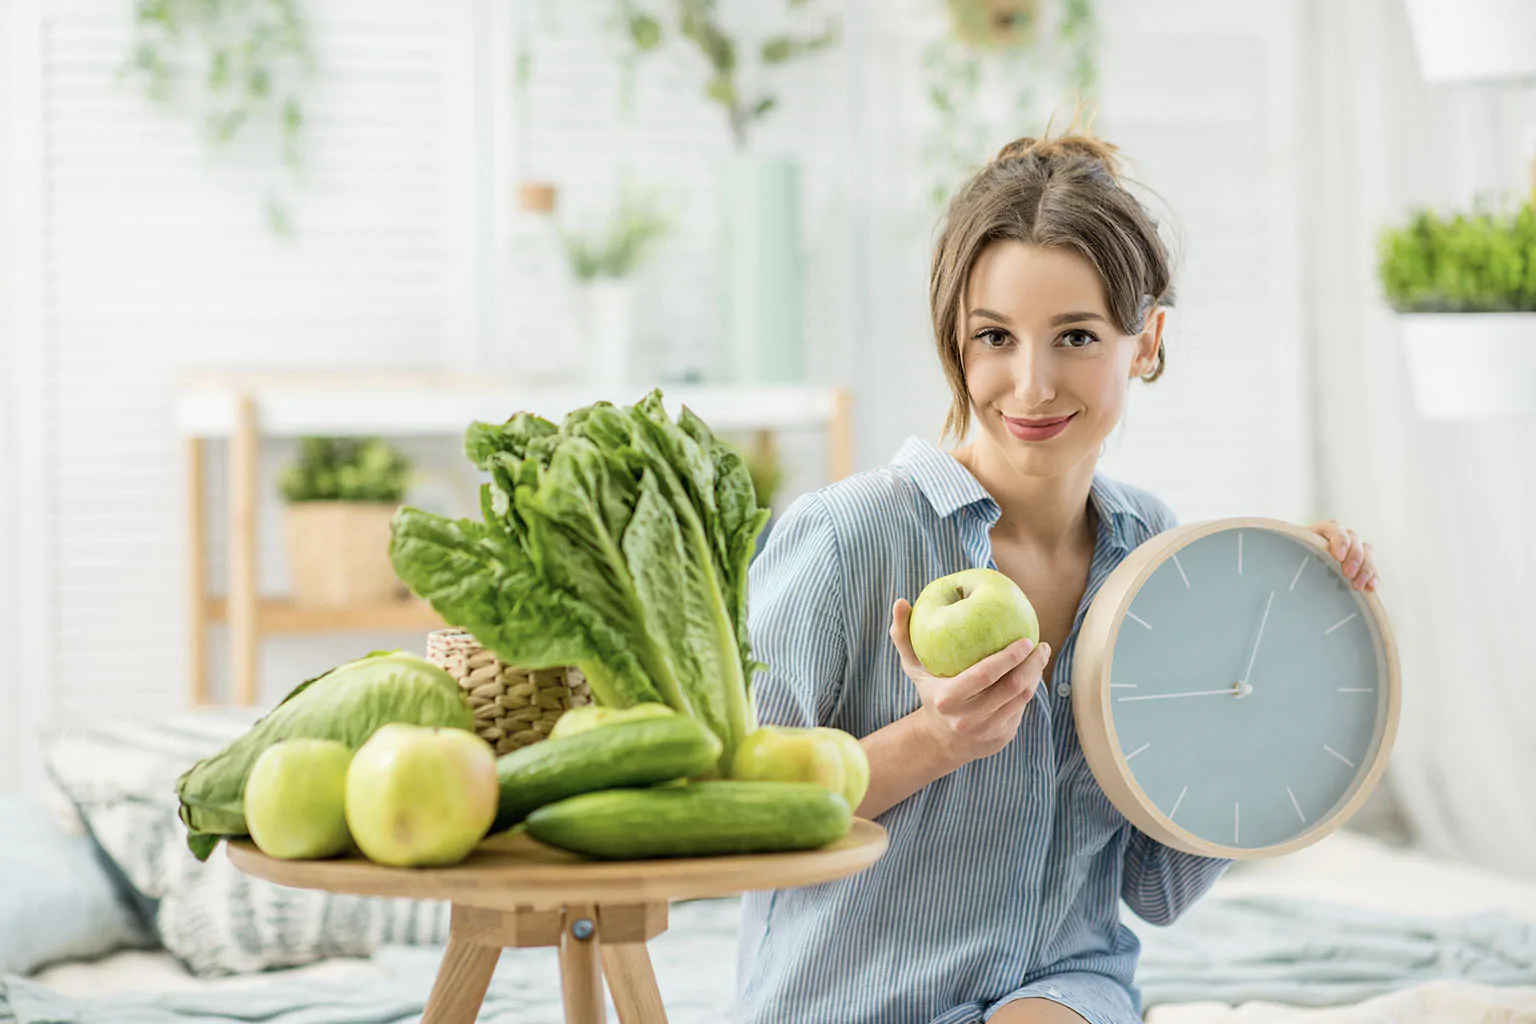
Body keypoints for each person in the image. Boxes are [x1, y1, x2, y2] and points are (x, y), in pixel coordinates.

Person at [733, 129, 1380, 1024]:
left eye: (1075, 336)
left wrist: (1273, 641)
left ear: (1145, 341)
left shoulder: (1154, 552)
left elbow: (1156, 887)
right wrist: (936, 742)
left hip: (1061, 991)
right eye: (994, 337)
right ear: (953, 343)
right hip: (852, 1001)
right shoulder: (848, 539)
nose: (1031, 385)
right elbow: (737, 818)